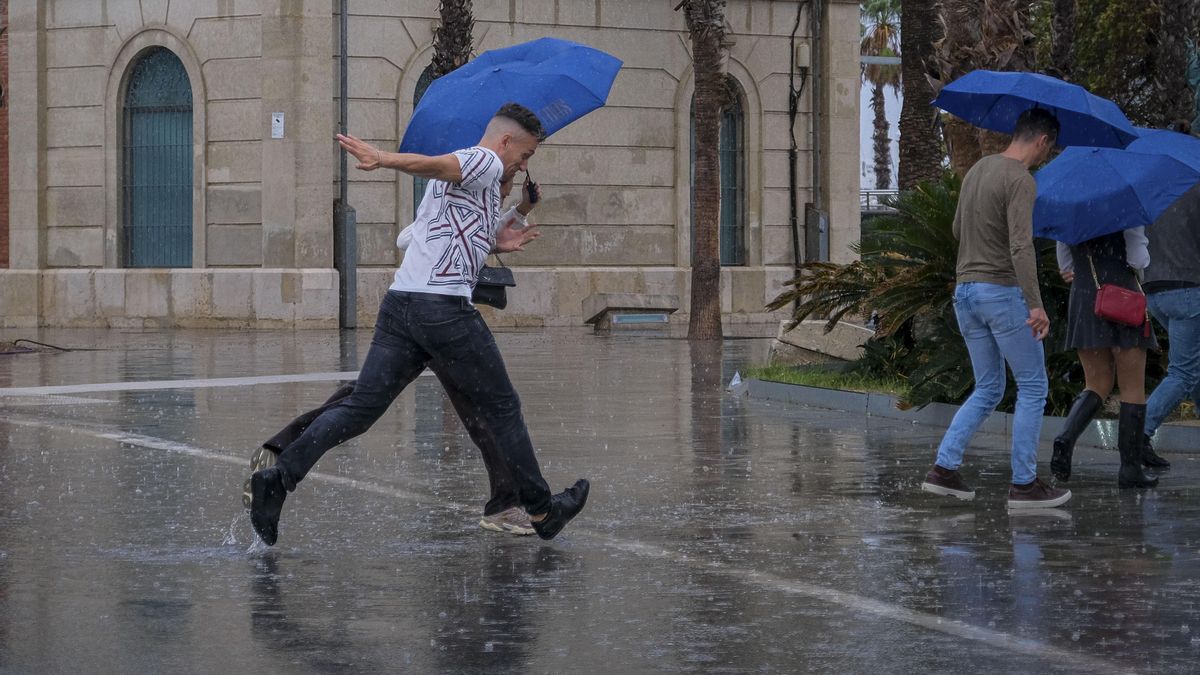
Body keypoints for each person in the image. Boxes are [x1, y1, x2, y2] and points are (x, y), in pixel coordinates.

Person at [247, 103, 590, 545]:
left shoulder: (466, 192)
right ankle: (543, 510)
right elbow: (444, 165)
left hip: (401, 306)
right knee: (503, 408)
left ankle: (279, 478)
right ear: (505, 142)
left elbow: (448, 233)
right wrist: (383, 158)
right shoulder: (483, 159)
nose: (523, 166)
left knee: (361, 409)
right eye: (523, 156)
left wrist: (517, 214)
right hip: (443, 310)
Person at [242, 175, 544, 536]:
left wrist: (520, 212)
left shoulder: (477, 202)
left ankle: (281, 452)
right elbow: (411, 236)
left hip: (426, 316)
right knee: (484, 411)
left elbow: (477, 233)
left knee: (364, 400)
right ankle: (505, 504)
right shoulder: (455, 193)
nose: (507, 188)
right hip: (436, 319)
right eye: (505, 181)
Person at [920, 108, 1071, 509]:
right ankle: (1025, 484)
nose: (1044, 158)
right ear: (1042, 141)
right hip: (1001, 294)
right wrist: (1037, 306)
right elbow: (1021, 246)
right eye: (1047, 150)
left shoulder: (979, 170)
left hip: (965, 293)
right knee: (1034, 385)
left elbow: (956, 229)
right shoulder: (1020, 180)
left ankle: (944, 469)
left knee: (988, 386)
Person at [1050, 228, 1159, 488]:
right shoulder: (1125, 209)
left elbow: (1065, 265)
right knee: (1132, 386)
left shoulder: (1072, 210)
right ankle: (1130, 469)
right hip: (1122, 296)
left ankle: (1066, 437)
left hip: (1086, 296)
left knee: (1096, 382)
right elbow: (1138, 260)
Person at [1142, 181, 1200, 465]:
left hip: (1154, 290)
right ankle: (1138, 434)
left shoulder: (1154, 191)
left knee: (1195, 366)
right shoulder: (1195, 187)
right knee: (1183, 373)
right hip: (1189, 289)